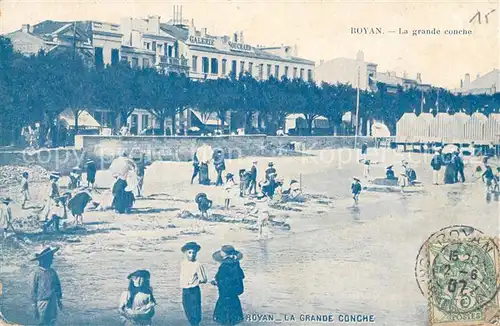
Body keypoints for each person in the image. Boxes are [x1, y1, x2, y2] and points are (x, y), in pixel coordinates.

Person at [211, 245, 245, 325]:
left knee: (225, 320)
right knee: (233, 320)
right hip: (234, 297)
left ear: (224, 254)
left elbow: (223, 282)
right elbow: (240, 278)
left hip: (225, 298)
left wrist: (216, 282)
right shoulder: (236, 264)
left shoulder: (224, 267)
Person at [31, 247, 63, 326]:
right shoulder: (37, 272)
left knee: (52, 320)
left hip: (52, 300)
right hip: (42, 301)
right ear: (43, 260)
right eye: (50, 258)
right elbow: (34, 289)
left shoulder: (52, 272)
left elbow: (57, 286)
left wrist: (59, 300)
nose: (52, 260)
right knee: (43, 321)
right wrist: (35, 306)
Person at [180, 242, 208, 326]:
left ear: (196, 253)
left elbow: (204, 279)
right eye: (189, 252)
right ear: (185, 253)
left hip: (194, 290)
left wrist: (196, 281)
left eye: (194, 253)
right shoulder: (183, 263)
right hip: (185, 290)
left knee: (195, 312)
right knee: (187, 309)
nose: (192, 255)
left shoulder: (198, 264)